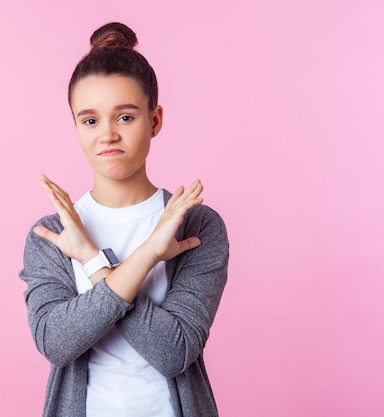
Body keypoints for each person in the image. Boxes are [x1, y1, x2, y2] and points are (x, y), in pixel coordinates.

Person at [19, 22, 229, 417]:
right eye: (90, 120)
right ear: (76, 127)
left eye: (126, 118)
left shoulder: (195, 225)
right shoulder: (53, 234)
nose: (108, 135)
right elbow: (56, 344)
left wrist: (95, 261)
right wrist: (144, 256)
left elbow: (175, 351)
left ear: (155, 120)